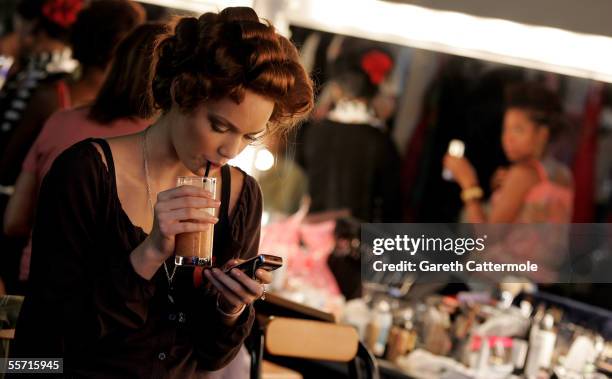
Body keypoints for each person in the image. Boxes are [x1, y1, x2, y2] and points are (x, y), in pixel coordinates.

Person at [12, 7, 314, 378]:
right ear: (181, 92)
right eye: (219, 126)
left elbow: (213, 357)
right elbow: (48, 336)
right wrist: (148, 253)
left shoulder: (240, 194)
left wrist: (229, 308)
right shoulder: (85, 171)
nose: (231, 151)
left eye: (248, 137)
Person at [4, 22, 167, 282]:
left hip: (39, 281)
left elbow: (14, 221)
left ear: (117, 64)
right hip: (112, 298)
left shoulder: (61, 120)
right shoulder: (161, 144)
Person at [443, 82, 573, 223]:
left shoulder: (523, 173)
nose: (507, 138)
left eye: (518, 130)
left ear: (542, 134)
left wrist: (468, 183)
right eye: (505, 129)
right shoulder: (563, 174)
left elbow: (485, 237)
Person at [302, 48, 402, 222]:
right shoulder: (380, 141)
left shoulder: (315, 131)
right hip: (355, 234)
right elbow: (391, 200)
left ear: (336, 90)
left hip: (313, 230)